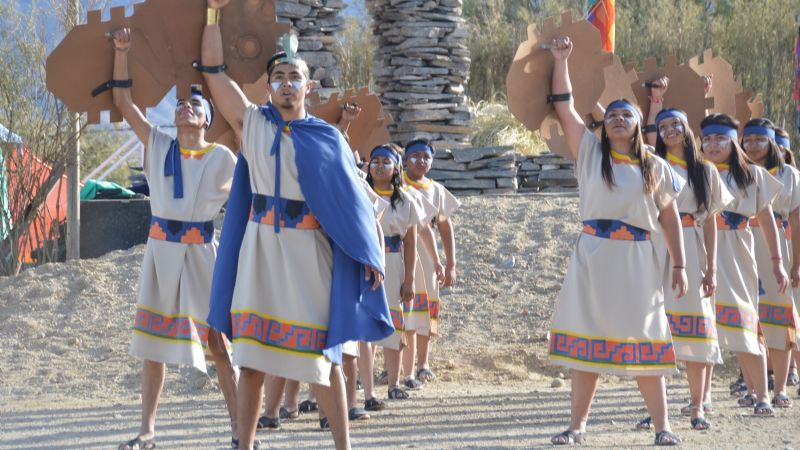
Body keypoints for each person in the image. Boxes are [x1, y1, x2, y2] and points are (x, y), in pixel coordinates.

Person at [200, 3, 393, 449]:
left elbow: (356, 204)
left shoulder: (327, 138)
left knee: (319, 361)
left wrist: (371, 254)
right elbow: (212, 71)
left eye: (294, 77)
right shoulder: (252, 123)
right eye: (279, 77)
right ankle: (244, 445)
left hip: (309, 254)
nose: (286, 84)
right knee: (251, 360)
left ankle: (343, 445)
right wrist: (211, 14)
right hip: (260, 251)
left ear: (309, 86)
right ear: (268, 86)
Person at [546, 36, 687, 446]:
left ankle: (663, 427)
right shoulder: (589, 153)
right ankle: (576, 427)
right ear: (603, 125)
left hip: (639, 261)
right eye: (612, 116)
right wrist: (562, 60)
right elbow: (564, 106)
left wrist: (678, 264)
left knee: (645, 339)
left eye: (627, 115)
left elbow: (669, 217)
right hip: (593, 256)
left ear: (638, 125)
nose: (619, 120)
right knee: (585, 343)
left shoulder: (654, 167)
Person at [110, 28, 239, 450]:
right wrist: (122, 52)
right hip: (161, 250)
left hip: (202, 252)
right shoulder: (159, 144)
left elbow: (250, 195)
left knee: (218, 343)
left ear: (206, 119)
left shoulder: (223, 157)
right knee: (153, 346)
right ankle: (147, 431)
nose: (185, 109)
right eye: (181, 105)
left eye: (194, 106)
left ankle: (243, 432)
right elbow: (124, 104)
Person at [698, 113, 787, 417]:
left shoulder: (752, 175)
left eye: (720, 137)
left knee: (743, 321)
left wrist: (777, 261)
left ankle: (762, 394)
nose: (713, 144)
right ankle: (703, 398)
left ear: (734, 142)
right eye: (707, 138)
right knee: (702, 324)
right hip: (700, 250)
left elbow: (767, 220)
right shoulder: (695, 173)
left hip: (735, 249)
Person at [650, 107, 733, 431]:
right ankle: (657, 411)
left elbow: (711, 220)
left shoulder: (705, 170)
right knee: (654, 329)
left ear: (687, 129)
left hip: (692, 249)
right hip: (656, 247)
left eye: (676, 124)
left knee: (697, 329)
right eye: (663, 125)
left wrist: (711, 268)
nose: (670, 130)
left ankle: (698, 407)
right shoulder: (650, 165)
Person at [740, 118, 800, 409]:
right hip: (742, 245)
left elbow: (797, 219)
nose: (753, 145)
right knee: (749, 320)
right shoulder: (738, 172)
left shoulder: (788, 174)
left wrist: (796, 263)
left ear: (772, 143)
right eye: (747, 140)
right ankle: (753, 388)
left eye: (759, 140)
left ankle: (780, 389)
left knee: (778, 320)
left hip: (778, 249)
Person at [401, 138, 461, 386]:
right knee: (400, 310)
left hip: (426, 254)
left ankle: (423, 362)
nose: (420, 161)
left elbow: (444, 226)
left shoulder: (435, 190)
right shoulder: (397, 182)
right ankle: (397, 364)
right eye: (415, 155)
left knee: (424, 309)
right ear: (406, 159)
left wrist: (450, 264)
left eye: (425, 157)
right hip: (398, 249)